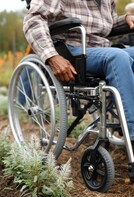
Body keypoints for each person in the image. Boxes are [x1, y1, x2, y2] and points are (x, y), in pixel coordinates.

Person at [23, 0, 134, 142]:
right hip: (72, 49)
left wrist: (125, 20)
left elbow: (106, 25)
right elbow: (33, 19)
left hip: (101, 49)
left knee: (121, 55)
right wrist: (51, 56)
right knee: (118, 57)